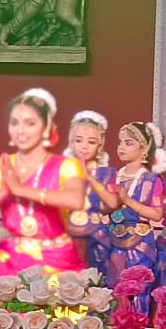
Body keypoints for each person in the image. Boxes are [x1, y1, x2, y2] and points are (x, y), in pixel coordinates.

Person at [0, 88, 87, 275]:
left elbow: (76, 200)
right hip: (14, 255)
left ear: (46, 127)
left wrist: (20, 190)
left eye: (30, 123)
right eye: (14, 123)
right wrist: (1, 193)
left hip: (56, 259)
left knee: (50, 285)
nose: (20, 131)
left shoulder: (66, 166)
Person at [102, 122, 164, 316]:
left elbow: (157, 215)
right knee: (113, 288)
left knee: (138, 289)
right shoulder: (114, 176)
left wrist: (127, 200)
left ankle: (138, 322)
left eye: (129, 143)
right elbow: (105, 209)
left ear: (144, 148)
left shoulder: (151, 180)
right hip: (114, 240)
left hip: (140, 243)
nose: (121, 147)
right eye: (120, 142)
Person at [62, 110, 114, 277]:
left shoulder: (106, 174)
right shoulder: (62, 171)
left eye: (91, 142)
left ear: (100, 145)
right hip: (67, 233)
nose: (84, 146)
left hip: (96, 236)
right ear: (71, 143)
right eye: (79, 140)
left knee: (93, 279)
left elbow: (110, 206)